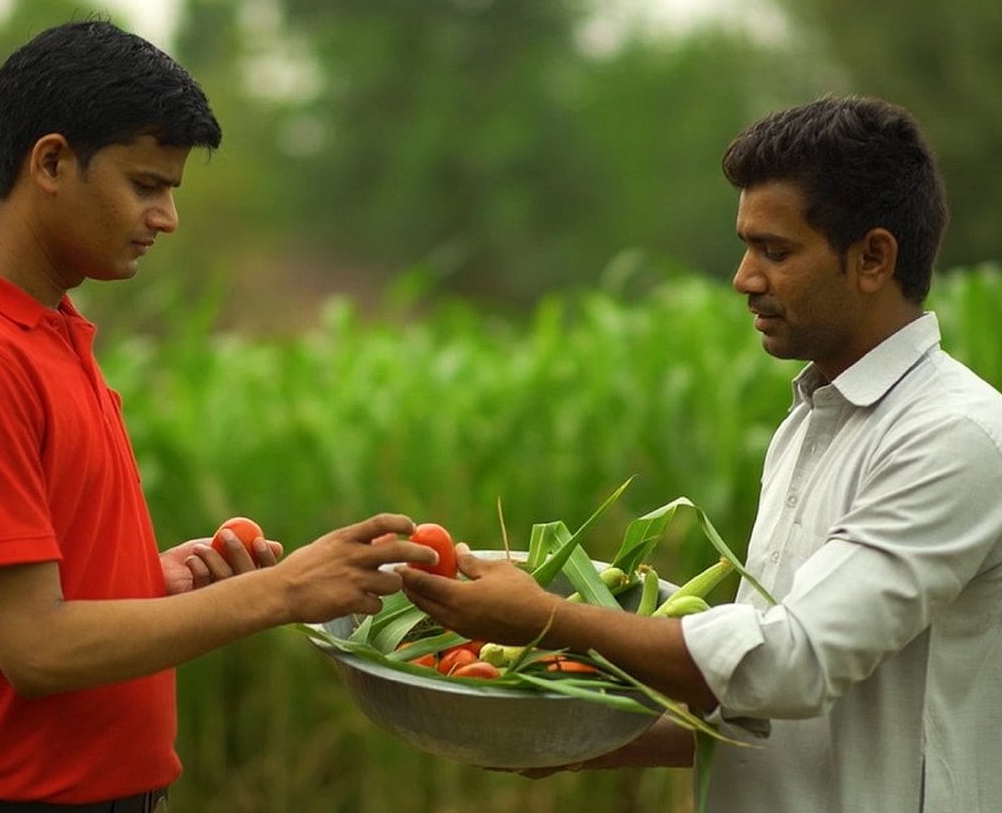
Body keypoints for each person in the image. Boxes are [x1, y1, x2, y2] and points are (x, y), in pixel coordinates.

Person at [0, 20, 437, 813]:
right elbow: (35, 648)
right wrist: (284, 593)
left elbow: (31, 589)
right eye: (145, 184)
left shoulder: (37, 322)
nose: (165, 217)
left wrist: (143, 580)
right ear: (52, 162)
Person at [401, 95, 1002, 811]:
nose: (743, 278)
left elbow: (793, 662)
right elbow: (758, 711)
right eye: (746, 246)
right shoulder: (810, 423)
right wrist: (569, 738)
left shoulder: (953, 437)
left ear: (872, 257)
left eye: (775, 251)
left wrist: (546, 618)